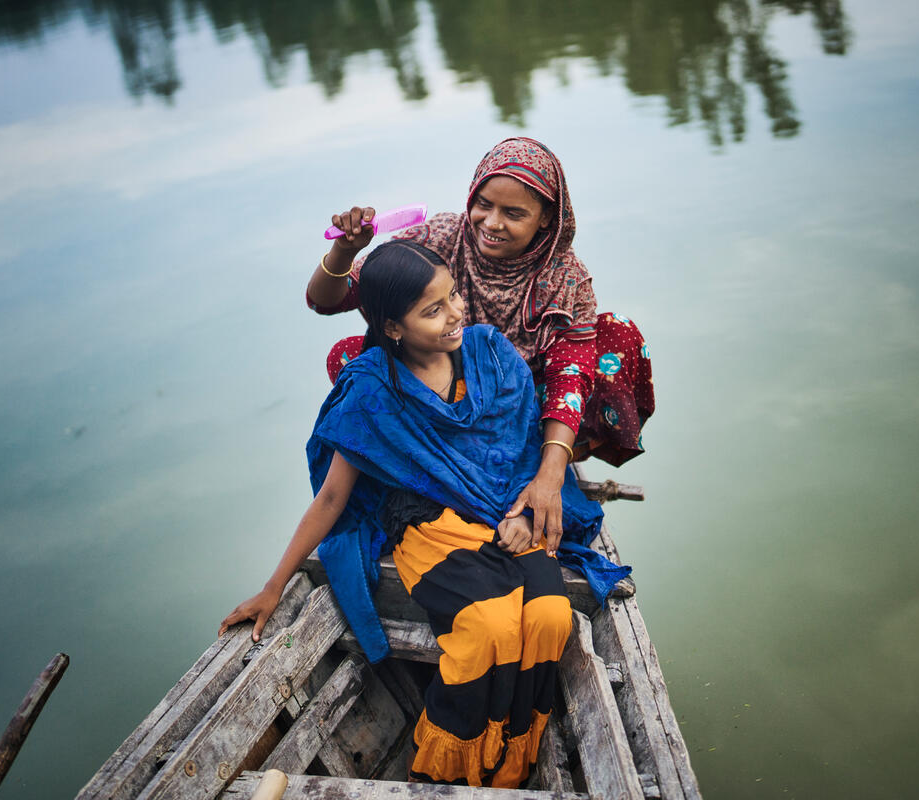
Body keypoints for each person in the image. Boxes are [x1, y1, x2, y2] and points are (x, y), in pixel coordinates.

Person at [221, 240, 629, 787]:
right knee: (488, 627)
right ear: (393, 327)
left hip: (509, 515)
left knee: (552, 619)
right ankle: (445, 768)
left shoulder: (490, 353)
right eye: (432, 310)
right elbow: (333, 499)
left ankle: (507, 764)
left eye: (453, 296)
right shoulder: (372, 389)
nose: (456, 313)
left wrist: (525, 515)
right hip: (428, 523)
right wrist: (274, 586)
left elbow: (521, 451)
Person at [307, 137, 654, 559]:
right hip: (445, 396)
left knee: (616, 335)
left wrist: (549, 476)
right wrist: (344, 249)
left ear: (546, 219)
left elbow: (570, 378)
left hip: (522, 405)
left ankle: (541, 455)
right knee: (351, 360)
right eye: (484, 204)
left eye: (514, 213)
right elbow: (327, 301)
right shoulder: (442, 236)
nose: (491, 222)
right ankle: (430, 458)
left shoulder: (567, 277)